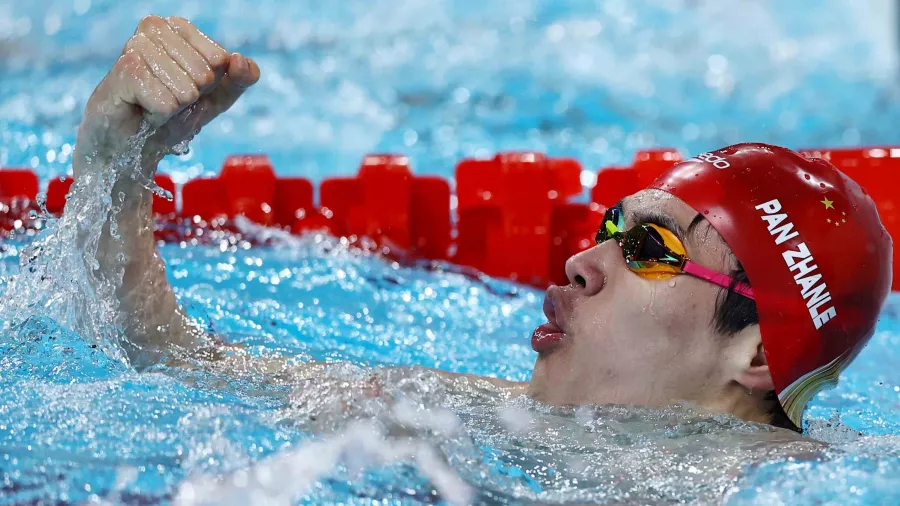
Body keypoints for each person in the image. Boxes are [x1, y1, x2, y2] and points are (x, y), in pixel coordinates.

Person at [69, 15, 892, 433]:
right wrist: (118, 158)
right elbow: (170, 360)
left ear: (754, 352)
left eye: (650, 248)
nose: (578, 258)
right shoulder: (503, 423)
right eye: (611, 227)